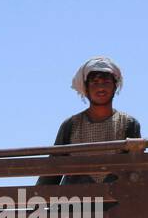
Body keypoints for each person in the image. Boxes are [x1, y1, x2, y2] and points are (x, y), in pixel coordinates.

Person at [37, 57, 141, 187]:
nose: (101, 87)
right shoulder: (71, 125)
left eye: (106, 82)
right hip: (74, 203)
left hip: (114, 202)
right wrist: (36, 202)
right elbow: (53, 169)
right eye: (95, 82)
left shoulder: (128, 123)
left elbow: (135, 168)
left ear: (115, 86)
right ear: (86, 88)